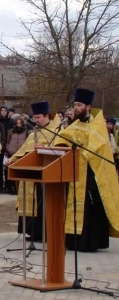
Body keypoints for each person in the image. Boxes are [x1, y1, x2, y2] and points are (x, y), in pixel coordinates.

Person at [54, 88, 119, 252]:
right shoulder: (74, 124)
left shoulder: (98, 125)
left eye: (79, 105)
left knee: (90, 207)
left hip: (92, 173)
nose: (76, 108)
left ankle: (89, 242)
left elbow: (99, 146)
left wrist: (83, 148)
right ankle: (72, 241)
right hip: (74, 172)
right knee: (73, 204)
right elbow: (62, 141)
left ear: (88, 107)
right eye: (75, 105)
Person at [6, 102, 60, 242]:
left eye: (38, 117)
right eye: (34, 118)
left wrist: (44, 148)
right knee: (34, 203)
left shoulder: (58, 132)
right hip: (32, 175)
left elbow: (60, 151)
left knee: (45, 203)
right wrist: (13, 159)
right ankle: (34, 232)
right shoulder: (33, 134)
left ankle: (48, 232)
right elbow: (23, 150)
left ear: (47, 116)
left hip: (49, 175)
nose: (35, 120)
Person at [5, 116, 29, 194]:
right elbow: (7, 141)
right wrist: (8, 149)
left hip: (21, 154)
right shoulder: (10, 131)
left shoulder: (26, 132)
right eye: (17, 123)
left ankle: (19, 189)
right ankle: (12, 188)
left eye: (20, 123)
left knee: (20, 173)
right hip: (12, 154)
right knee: (11, 172)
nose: (18, 124)